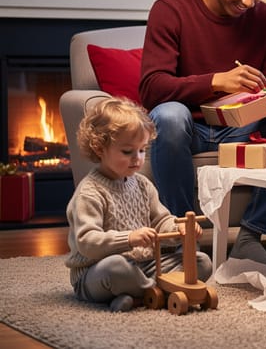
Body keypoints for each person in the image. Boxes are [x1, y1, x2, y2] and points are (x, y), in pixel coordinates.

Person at [139, 0, 266, 267]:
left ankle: (250, 237)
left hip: (241, 130)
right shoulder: (170, 10)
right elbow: (151, 88)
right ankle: (181, 241)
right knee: (169, 116)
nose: (250, 2)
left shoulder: (264, 19)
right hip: (188, 131)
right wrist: (217, 81)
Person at [65, 98, 213, 312]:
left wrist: (178, 230)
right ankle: (155, 293)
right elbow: (87, 242)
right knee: (116, 268)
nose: (138, 159)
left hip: (144, 265)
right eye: (127, 152)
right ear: (99, 148)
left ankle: (136, 295)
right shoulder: (90, 192)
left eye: (142, 150)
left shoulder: (143, 184)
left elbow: (161, 219)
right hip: (95, 272)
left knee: (201, 262)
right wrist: (129, 238)